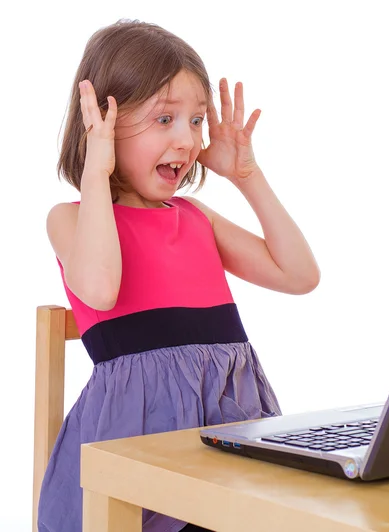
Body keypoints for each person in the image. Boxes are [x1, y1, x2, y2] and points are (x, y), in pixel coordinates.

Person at [37, 18, 320, 532]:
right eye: (165, 119)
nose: (187, 139)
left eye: (196, 121)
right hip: (136, 456)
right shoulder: (71, 217)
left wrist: (247, 177)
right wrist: (95, 173)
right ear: (100, 122)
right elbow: (100, 289)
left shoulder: (195, 218)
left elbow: (299, 274)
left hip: (227, 444)